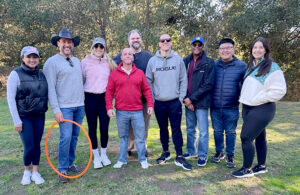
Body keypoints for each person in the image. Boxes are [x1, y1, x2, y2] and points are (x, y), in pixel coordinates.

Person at [232, 37, 286, 178]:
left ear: (266, 50)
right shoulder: (252, 65)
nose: (257, 50)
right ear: (251, 50)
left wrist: (258, 99)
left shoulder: (272, 66)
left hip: (262, 108)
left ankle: (246, 169)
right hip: (248, 107)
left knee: (245, 137)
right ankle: (261, 166)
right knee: (260, 136)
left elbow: (279, 90)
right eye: (255, 47)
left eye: (260, 47)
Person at [43, 28, 85, 183]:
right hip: (64, 108)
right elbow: (50, 88)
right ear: (58, 43)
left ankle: (70, 164)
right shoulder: (51, 63)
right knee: (66, 137)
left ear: (72, 44)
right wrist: (56, 110)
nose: (67, 44)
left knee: (74, 137)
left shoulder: (77, 61)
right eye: (64, 41)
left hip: (80, 106)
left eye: (69, 42)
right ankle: (62, 169)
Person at [146, 33, 192, 171]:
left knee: (176, 129)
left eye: (168, 40)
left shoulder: (178, 60)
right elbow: (148, 81)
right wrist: (152, 100)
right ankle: (165, 152)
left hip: (174, 102)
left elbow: (183, 80)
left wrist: (180, 97)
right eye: (162, 40)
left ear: (171, 43)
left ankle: (179, 156)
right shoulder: (152, 61)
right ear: (159, 43)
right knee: (163, 129)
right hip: (159, 102)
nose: (165, 42)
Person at [105, 48, 154, 169]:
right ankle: (122, 159)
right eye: (125, 54)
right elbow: (109, 92)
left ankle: (142, 159)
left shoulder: (139, 73)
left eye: (130, 54)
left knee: (140, 136)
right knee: (123, 137)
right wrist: (109, 107)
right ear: (121, 57)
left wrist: (151, 104)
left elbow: (147, 90)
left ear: (133, 57)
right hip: (121, 111)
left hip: (137, 111)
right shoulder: (115, 73)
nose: (127, 56)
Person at [7, 46, 48, 185]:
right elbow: (10, 99)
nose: (32, 60)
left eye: (35, 57)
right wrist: (16, 120)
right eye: (29, 57)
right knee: (29, 145)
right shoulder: (15, 74)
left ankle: (35, 172)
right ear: (23, 58)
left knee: (37, 144)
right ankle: (26, 171)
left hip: (39, 116)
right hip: (24, 117)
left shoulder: (42, 75)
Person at [113, 29, 152, 157]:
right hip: (127, 100)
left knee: (144, 125)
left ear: (141, 40)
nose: (135, 40)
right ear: (129, 40)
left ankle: (143, 147)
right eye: (133, 38)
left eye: (137, 38)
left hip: (144, 99)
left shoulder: (148, 57)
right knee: (128, 126)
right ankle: (130, 146)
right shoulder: (121, 56)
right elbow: (108, 64)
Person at [210, 38, 247, 168]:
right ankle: (219, 152)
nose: (225, 51)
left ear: (233, 49)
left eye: (228, 48)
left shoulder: (242, 66)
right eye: (222, 48)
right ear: (219, 51)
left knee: (231, 132)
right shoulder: (213, 65)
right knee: (217, 132)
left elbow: (247, 85)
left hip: (232, 106)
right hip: (215, 106)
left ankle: (230, 155)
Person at [81, 37, 116, 169]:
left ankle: (104, 154)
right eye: (96, 46)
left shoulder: (109, 63)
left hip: (104, 98)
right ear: (92, 48)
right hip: (89, 98)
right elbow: (82, 79)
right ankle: (96, 156)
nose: (98, 49)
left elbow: (114, 80)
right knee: (92, 128)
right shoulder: (85, 62)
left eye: (101, 47)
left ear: (104, 49)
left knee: (104, 127)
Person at [182, 36, 215, 167]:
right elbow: (181, 80)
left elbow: (208, 84)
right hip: (188, 102)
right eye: (194, 44)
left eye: (199, 45)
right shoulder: (186, 61)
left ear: (202, 47)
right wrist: (186, 99)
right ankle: (191, 151)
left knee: (203, 131)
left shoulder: (209, 62)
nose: (196, 47)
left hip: (201, 103)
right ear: (191, 46)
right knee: (190, 129)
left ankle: (202, 155)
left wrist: (192, 99)